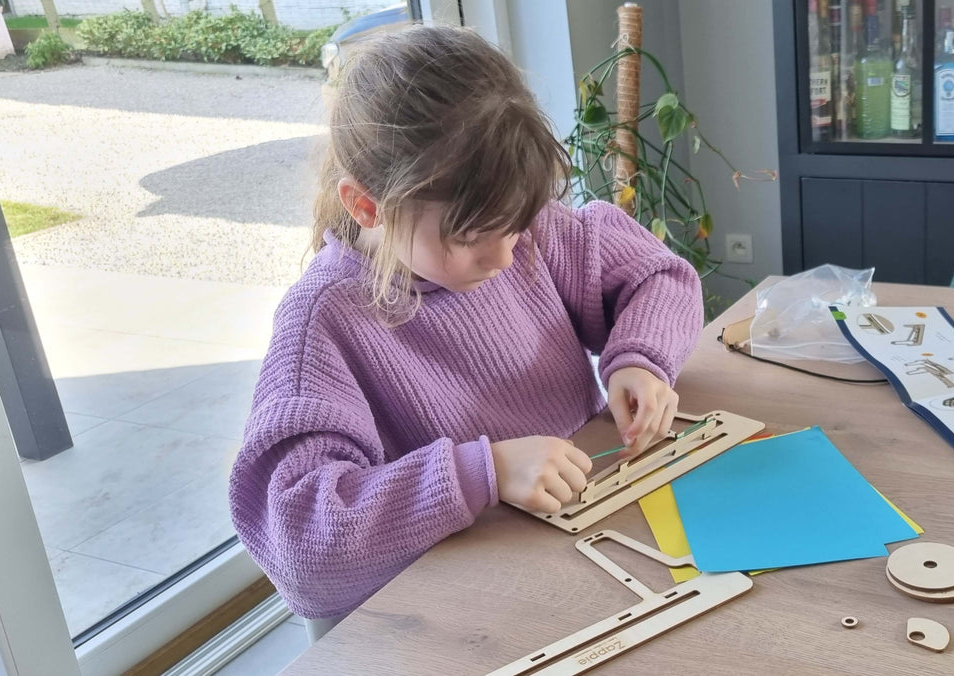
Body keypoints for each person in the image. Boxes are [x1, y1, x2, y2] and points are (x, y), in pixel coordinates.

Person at [228, 25, 702, 641]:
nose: (506, 257)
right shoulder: (323, 323)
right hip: (468, 609)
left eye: (517, 225)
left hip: (587, 538)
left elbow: (660, 277)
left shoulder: (521, 229)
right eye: (471, 238)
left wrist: (640, 359)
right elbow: (302, 549)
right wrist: (483, 472)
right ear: (367, 205)